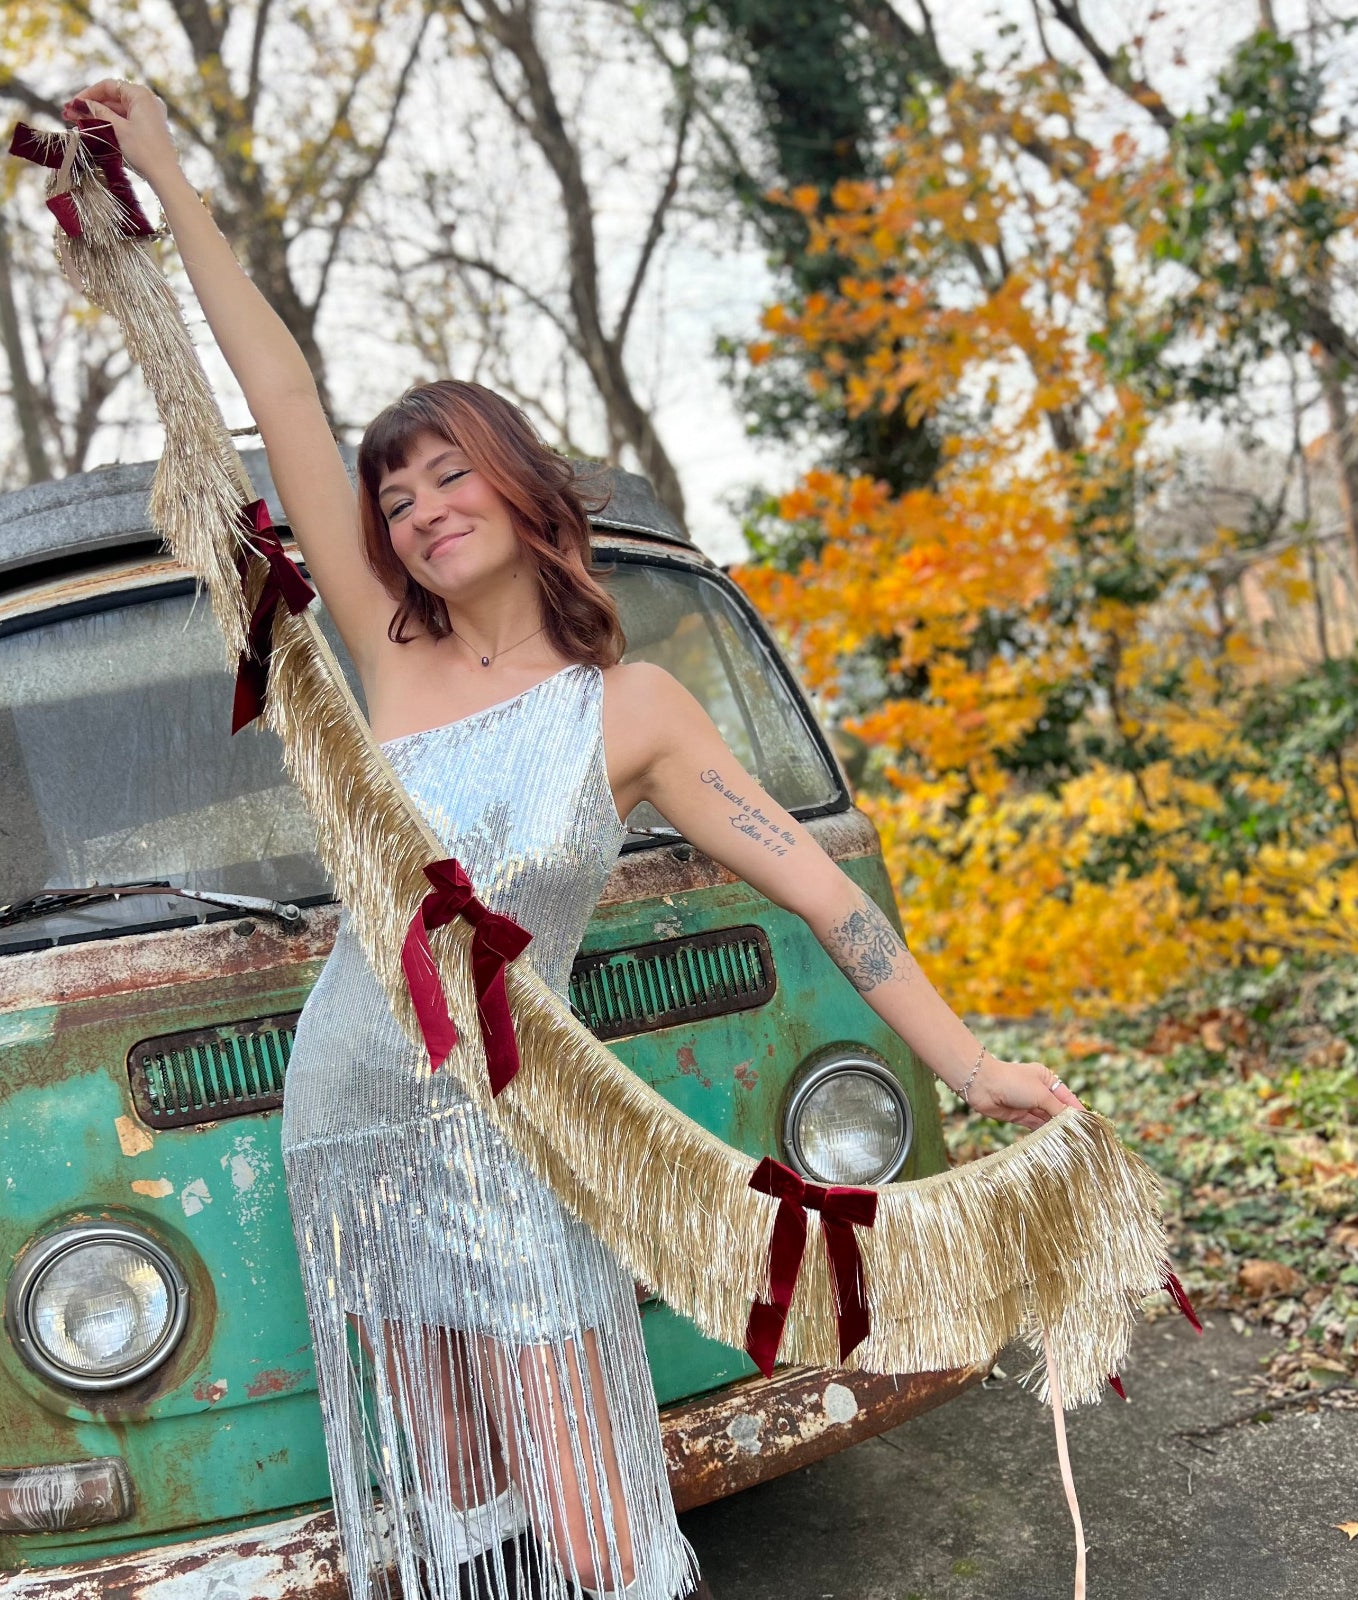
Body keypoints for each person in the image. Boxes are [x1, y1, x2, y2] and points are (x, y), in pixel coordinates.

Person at [63, 77, 1087, 1600]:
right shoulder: (390, 663)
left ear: (523, 485)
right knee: (464, 1496)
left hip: (522, 1125)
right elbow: (279, 399)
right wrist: (163, 178)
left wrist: (972, 1067)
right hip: (350, 1111)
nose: (415, 511)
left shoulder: (639, 711)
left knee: (601, 1507)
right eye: (394, 496)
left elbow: (820, 890)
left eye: (447, 474)